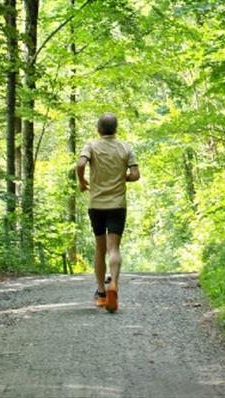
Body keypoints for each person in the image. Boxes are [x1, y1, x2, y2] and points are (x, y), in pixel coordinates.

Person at [76, 113, 140, 313]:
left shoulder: (91, 145)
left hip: (97, 204)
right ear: (116, 129)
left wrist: (83, 181)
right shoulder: (125, 147)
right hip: (117, 204)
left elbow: (80, 164)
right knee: (114, 248)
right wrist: (123, 179)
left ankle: (102, 293)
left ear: (98, 129)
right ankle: (114, 283)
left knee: (100, 248)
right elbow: (136, 175)